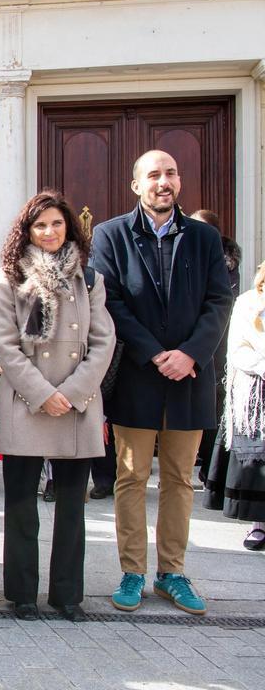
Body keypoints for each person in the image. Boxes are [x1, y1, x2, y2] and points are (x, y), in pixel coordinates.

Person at [89, 149, 234, 616]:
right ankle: (133, 571)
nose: (163, 181)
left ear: (179, 181)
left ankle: (172, 572)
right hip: (138, 375)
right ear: (136, 185)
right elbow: (111, 304)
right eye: (153, 175)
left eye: (170, 173)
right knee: (130, 477)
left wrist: (190, 353)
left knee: (179, 480)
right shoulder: (110, 235)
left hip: (191, 375)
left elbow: (219, 302)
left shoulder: (206, 238)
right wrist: (155, 353)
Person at [0, 191, 116, 621]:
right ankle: (22, 594)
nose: (48, 232)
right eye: (39, 225)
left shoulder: (90, 279)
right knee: (22, 505)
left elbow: (103, 342)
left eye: (56, 224)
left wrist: (74, 392)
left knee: (71, 508)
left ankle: (68, 596)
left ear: (69, 228)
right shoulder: (6, 278)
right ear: (27, 231)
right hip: (27, 400)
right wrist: (43, 394)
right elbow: (7, 347)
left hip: (76, 403)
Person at [209, 260, 265, 550]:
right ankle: (260, 524)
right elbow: (236, 348)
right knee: (259, 464)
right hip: (257, 393)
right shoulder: (248, 302)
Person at [190, 209, 241, 490]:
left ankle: (211, 468)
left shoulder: (224, 261)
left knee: (214, 401)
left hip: (216, 340)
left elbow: (222, 301)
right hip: (187, 343)